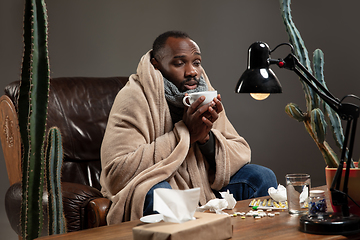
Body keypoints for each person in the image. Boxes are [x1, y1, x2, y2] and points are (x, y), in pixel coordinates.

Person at [100, 31, 277, 224]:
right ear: (156, 64)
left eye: (197, 62)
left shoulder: (204, 94)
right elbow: (116, 173)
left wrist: (205, 140)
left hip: (204, 185)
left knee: (262, 177)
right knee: (164, 195)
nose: (192, 71)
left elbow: (241, 151)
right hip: (158, 185)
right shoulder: (133, 97)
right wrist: (186, 134)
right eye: (179, 63)